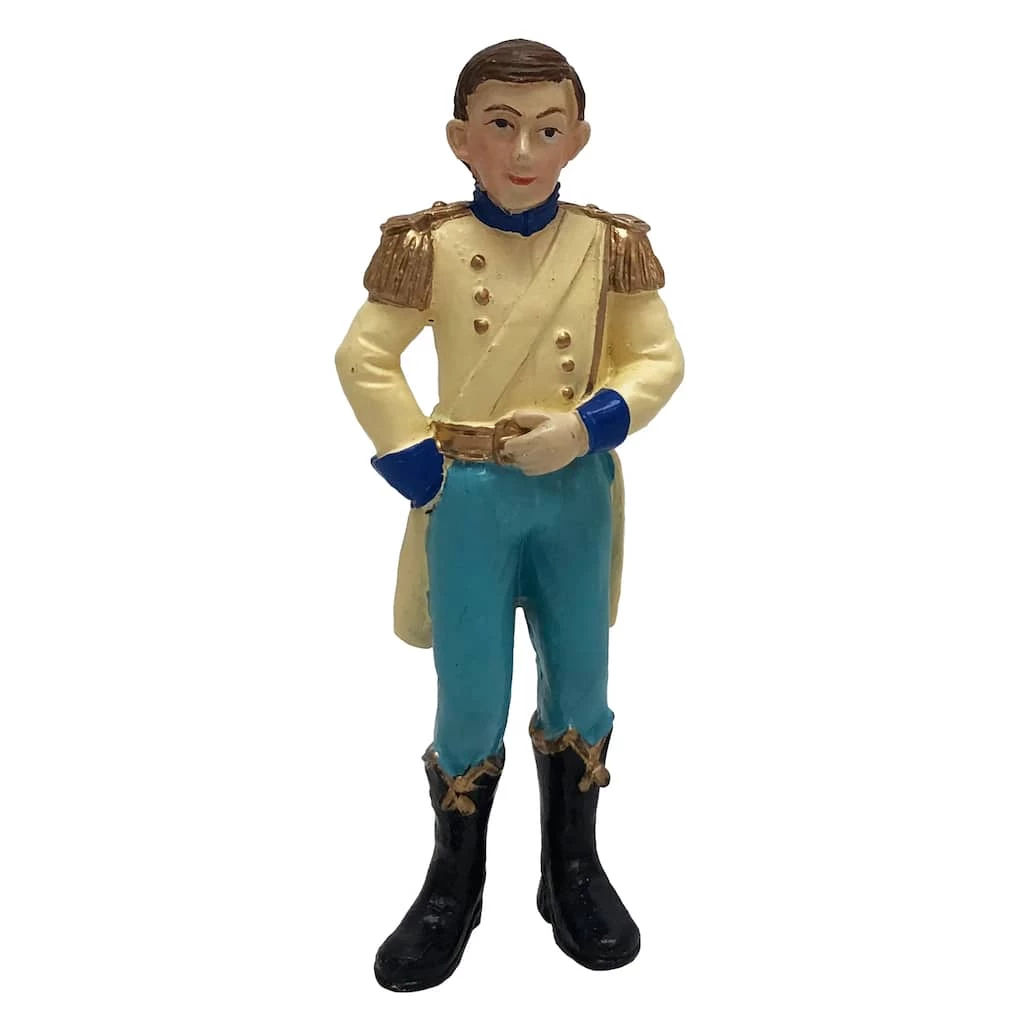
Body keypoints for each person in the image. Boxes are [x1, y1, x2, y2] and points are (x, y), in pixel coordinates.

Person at [335, 38, 684, 991]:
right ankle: (454, 883)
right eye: (500, 125)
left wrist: (587, 426)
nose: (524, 150)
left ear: (578, 138)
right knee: (470, 689)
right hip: (471, 498)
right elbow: (365, 356)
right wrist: (422, 471)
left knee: (581, 680)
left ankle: (573, 867)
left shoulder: (609, 245)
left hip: (574, 495)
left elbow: (658, 360)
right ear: (461, 139)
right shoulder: (429, 247)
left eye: (547, 128)